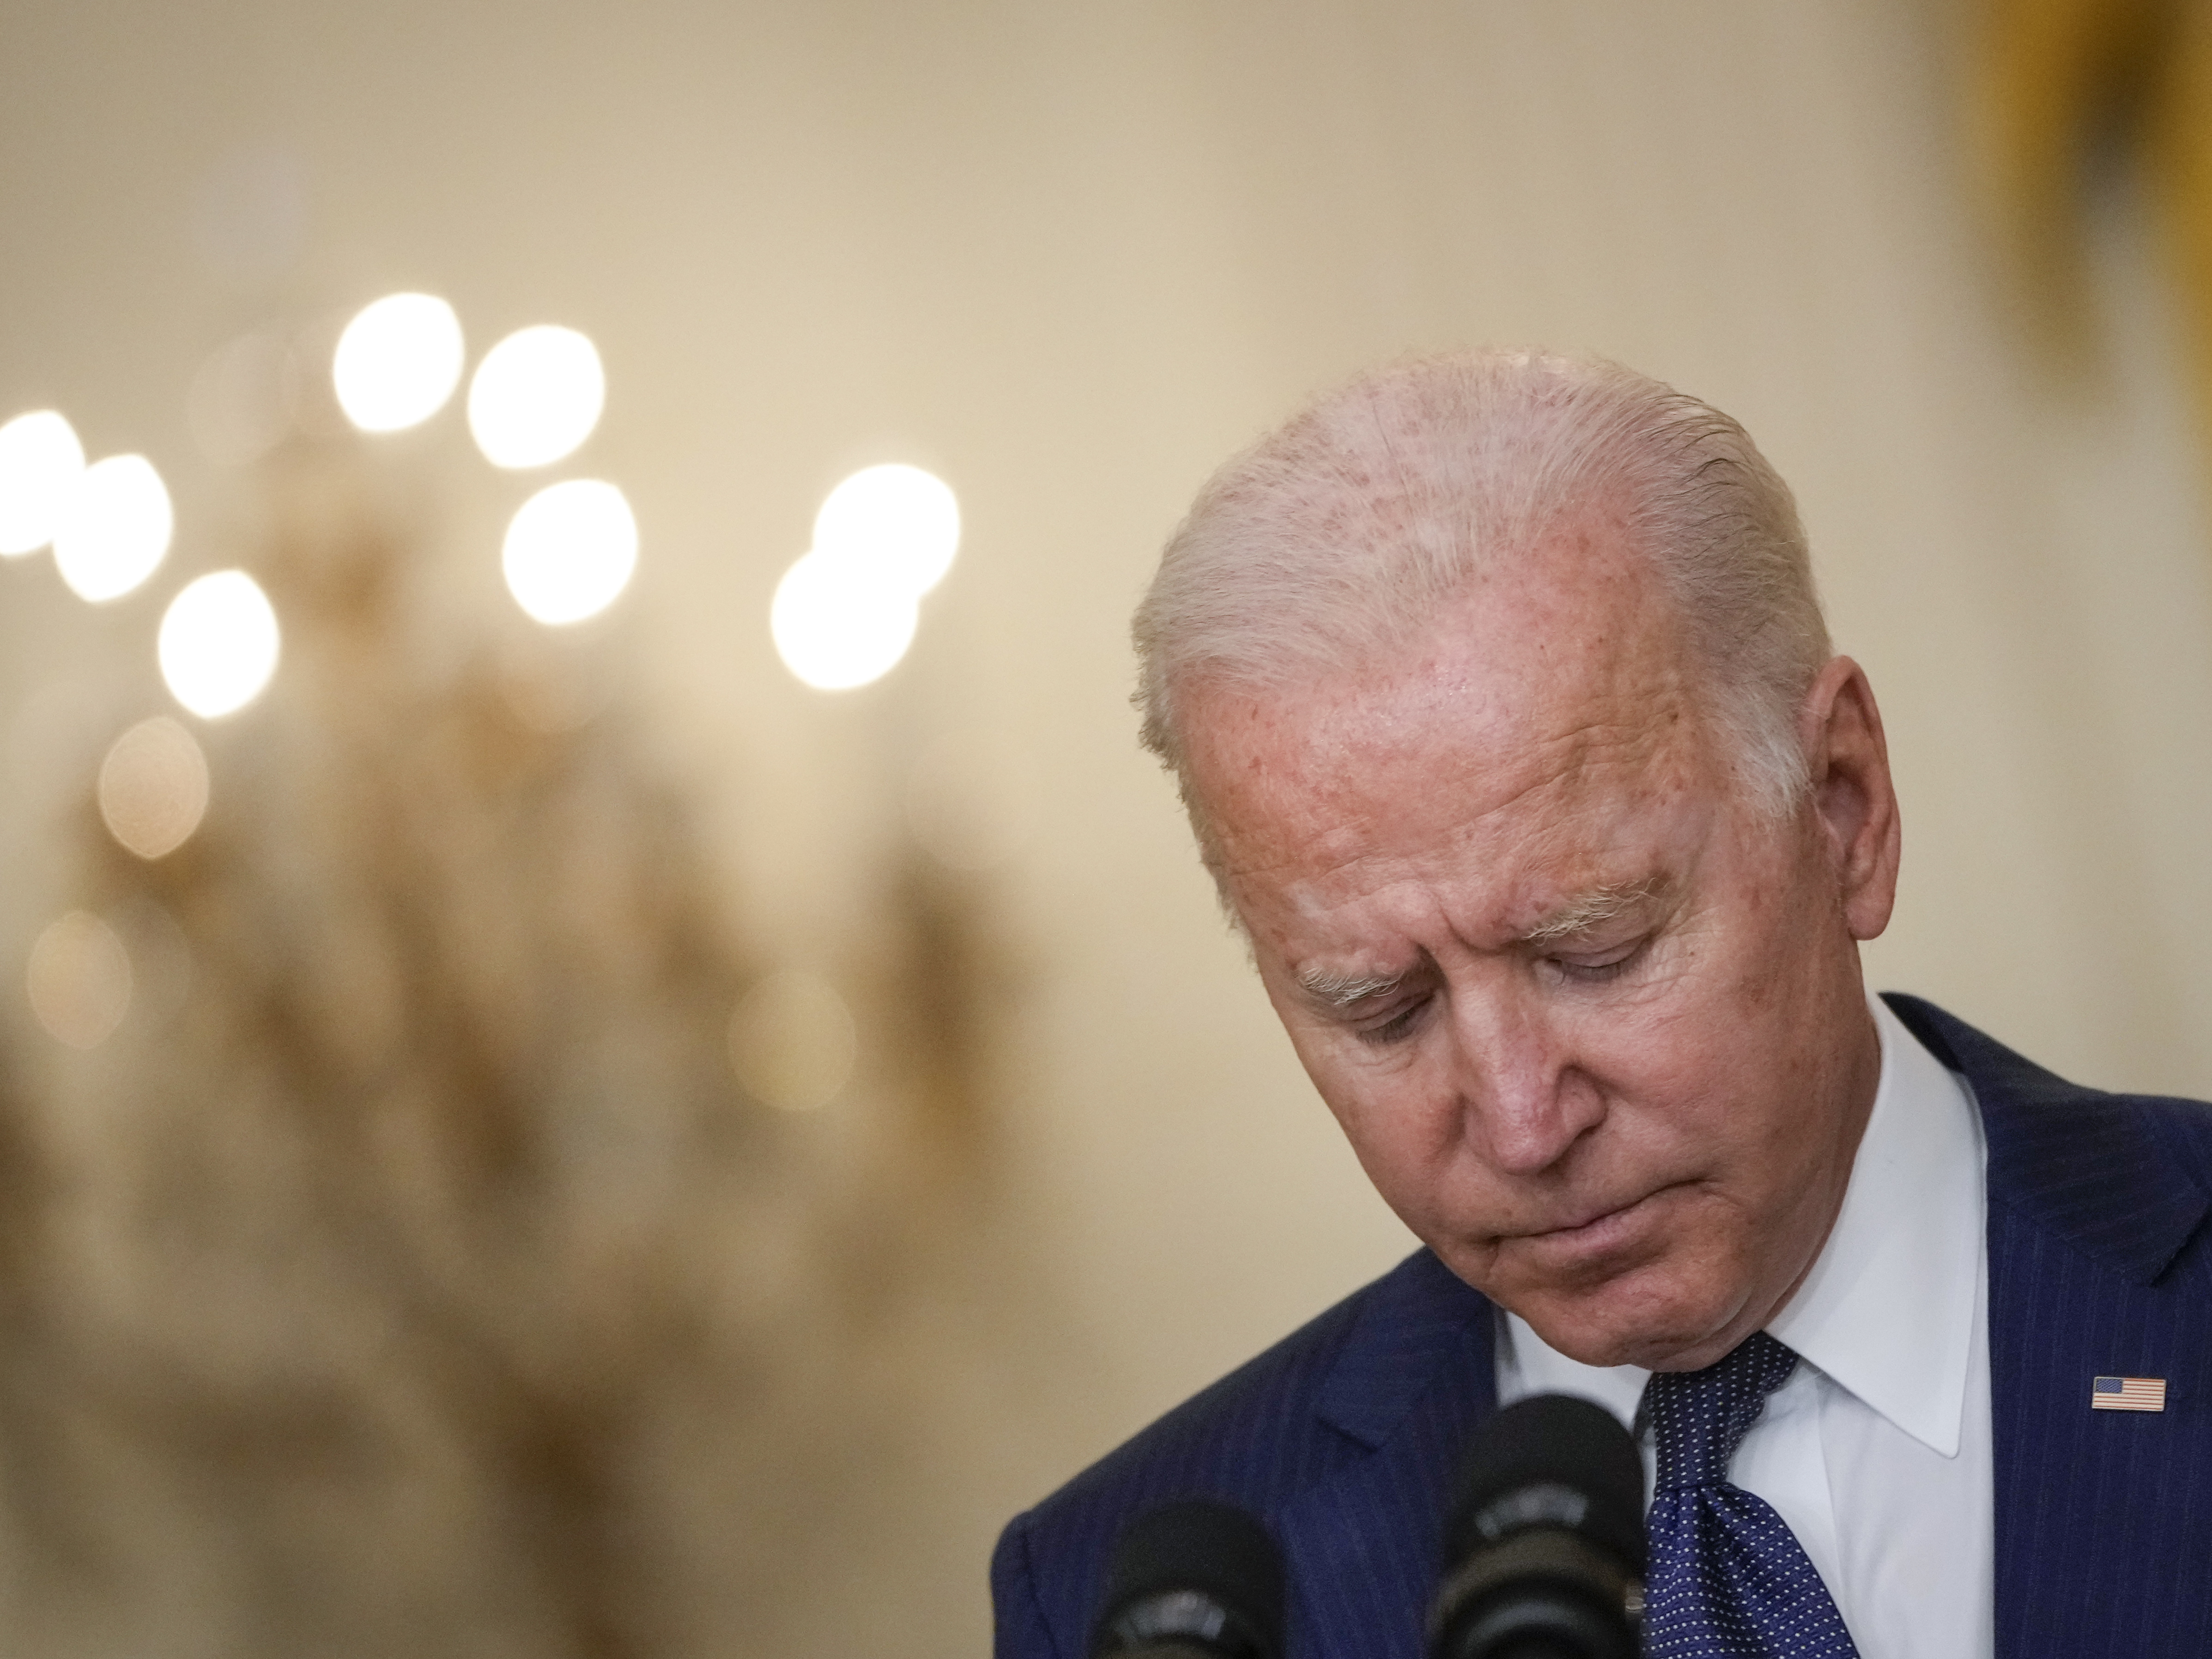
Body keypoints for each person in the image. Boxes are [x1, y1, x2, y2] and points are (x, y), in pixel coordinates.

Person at [991, 350, 2212, 1659]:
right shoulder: (1124, 1602)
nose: (1521, 1125)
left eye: (1598, 949)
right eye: (1384, 1010)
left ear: (1843, 807)